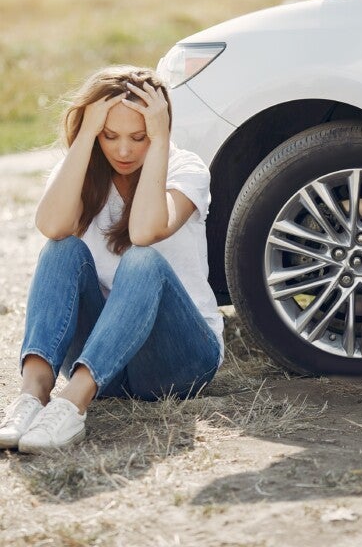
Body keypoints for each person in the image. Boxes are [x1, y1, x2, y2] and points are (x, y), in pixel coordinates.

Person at [0, 65, 224, 454]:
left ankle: (72, 403)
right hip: (107, 364)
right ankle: (33, 394)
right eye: (109, 135)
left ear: (158, 129)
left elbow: (144, 232)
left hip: (180, 358)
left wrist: (159, 142)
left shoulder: (186, 169)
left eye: (138, 137)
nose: (123, 151)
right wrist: (86, 133)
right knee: (61, 248)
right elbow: (51, 226)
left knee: (142, 260)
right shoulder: (81, 171)